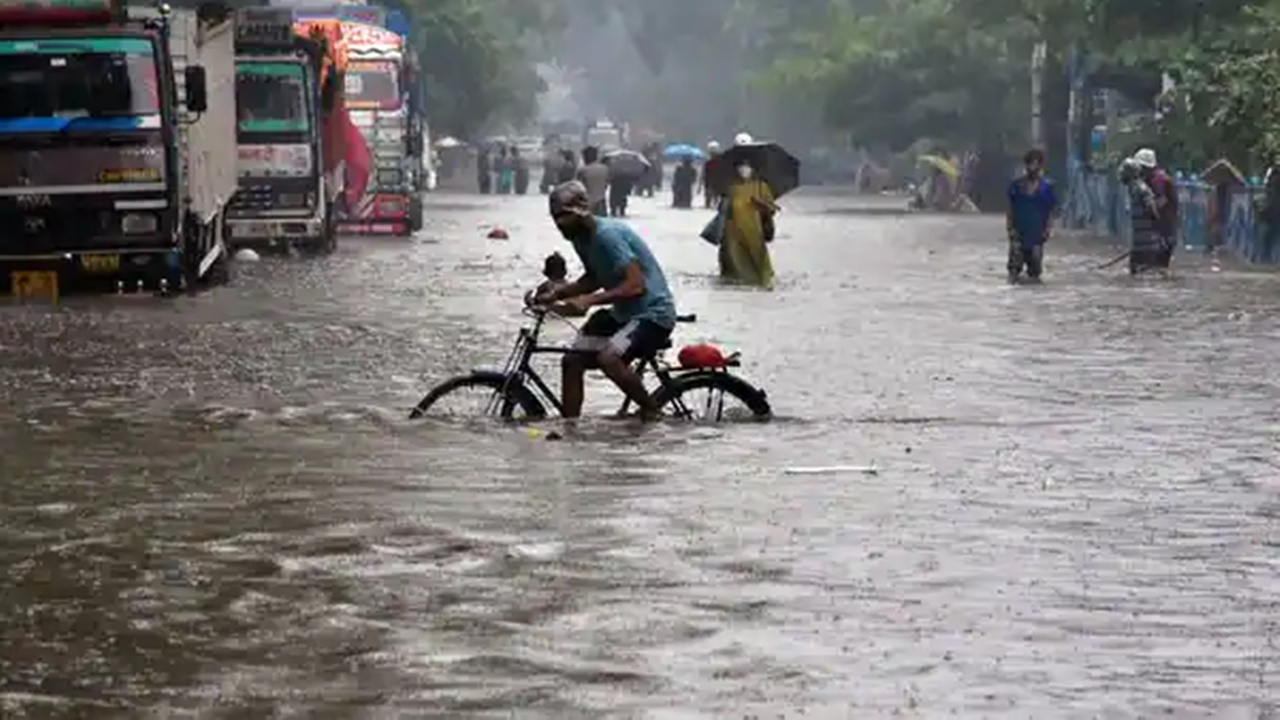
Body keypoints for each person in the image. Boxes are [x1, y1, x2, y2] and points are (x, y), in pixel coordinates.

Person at [534, 181, 678, 421]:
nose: (558, 224)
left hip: (652, 315)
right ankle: (570, 428)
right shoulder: (579, 238)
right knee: (571, 361)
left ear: (579, 212)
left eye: (563, 216)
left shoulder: (607, 235)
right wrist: (557, 294)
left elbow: (636, 285)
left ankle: (652, 410)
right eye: (554, 217)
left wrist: (589, 300)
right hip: (623, 314)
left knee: (609, 359)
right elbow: (593, 278)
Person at [719, 156, 778, 288]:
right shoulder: (732, 188)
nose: (744, 170)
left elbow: (771, 209)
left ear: (752, 169)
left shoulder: (761, 187)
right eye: (740, 167)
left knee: (758, 262)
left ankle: (760, 280)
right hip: (733, 233)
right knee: (735, 264)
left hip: (754, 232)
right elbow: (723, 210)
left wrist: (761, 204)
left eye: (746, 167)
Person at [1005, 148, 1057, 283]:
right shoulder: (1016, 186)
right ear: (1026, 165)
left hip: (1036, 234)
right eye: (1031, 164)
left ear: (1041, 166)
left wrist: (1047, 230)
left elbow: (1050, 210)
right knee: (1014, 270)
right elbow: (1010, 208)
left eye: (1037, 164)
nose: (1033, 168)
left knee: (1035, 272)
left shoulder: (1046, 188)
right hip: (1019, 232)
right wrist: (1010, 228)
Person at [1133, 148, 1178, 269]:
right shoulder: (1152, 179)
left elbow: (1161, 203)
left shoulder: (1159, 180)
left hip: (1162, 235)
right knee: (1155, 272)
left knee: (1154, 271)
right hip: (1162, 234)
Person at [1120, 158, 1162, 276]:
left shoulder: (1142, 189)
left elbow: (1153, 210)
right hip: (1138, 244)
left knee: (1145, 275)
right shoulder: (1133, 188)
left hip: (1147, 244)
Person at [576, 146, 610, 216]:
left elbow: (578, 187)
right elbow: (606, 184)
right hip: (601, 202)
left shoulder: (583, 171)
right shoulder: (605, 169)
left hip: (587, 203)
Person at [702, 140, 721, 208]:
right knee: (709, 200)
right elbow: (703, 174)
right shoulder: (708, 163)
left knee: (714, 199)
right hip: (710, 183)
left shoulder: (719, 162)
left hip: (715, 183)